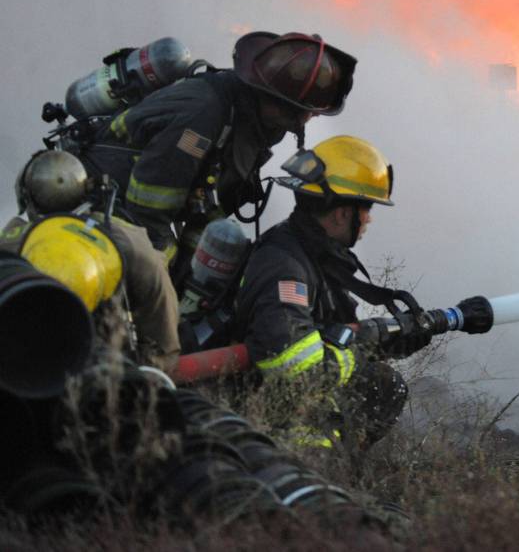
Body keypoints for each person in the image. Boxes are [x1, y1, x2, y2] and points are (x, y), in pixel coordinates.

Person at [75, 31, 357, 267]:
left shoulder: (257, 124)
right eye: (306, 109)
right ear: (279, 104)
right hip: (99, 198)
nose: (314, 116)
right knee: (158, 268)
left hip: (138, 207)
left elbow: (212, 201)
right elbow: (149, 202)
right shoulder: (205, 113)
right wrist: (174, 263)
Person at [231, 136, 433, 446]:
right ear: (341, 213)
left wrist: (394, 341)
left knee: (384, 385)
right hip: (266, 417)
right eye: (366, 208)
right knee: (376, 387)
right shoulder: (285, 266)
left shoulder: (315, 251)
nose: (369, 219)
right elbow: (294, 368)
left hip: (285, 399)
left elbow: (332, 330)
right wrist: (361, 346)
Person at [1, 150, 181, 371]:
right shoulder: (127, 239)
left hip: (30, 361)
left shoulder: (14, 239)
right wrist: (155, 369)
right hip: (110, 365)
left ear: (28, 199)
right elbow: (159, 300)